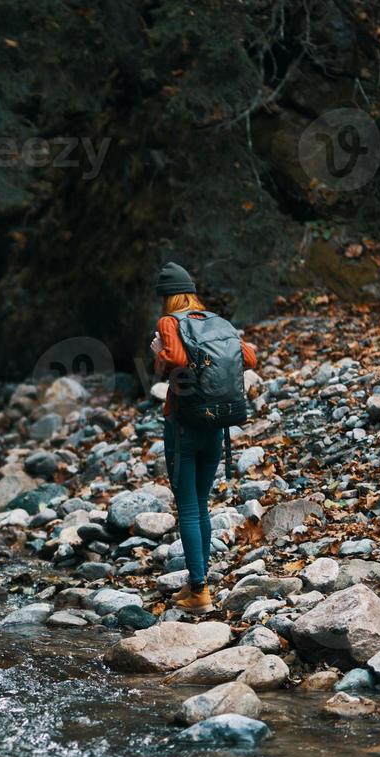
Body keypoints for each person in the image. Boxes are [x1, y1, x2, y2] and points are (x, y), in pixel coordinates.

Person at [148, 262, 257, 614]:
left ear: (167, 297)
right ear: (192, 292)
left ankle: (199, 590)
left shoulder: (170, 322)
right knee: (202, 503)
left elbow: (176, 358)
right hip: (217, 425)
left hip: (184, 425)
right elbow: (250, 357)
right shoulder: (218, 322)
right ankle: (201, 581)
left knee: (189, 507)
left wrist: (157, 355)